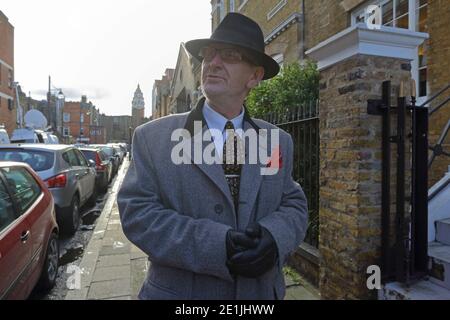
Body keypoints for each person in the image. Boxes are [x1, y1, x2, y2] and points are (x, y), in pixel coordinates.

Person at [117, 12, 308, 300]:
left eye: (230, 55)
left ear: (255, 76)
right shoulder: (152, 138)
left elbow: (292, 202)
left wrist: (274, 237)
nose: (213, 63)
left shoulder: (277, 142)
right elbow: (138, 213)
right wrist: (217, 244)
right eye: (209, 55)